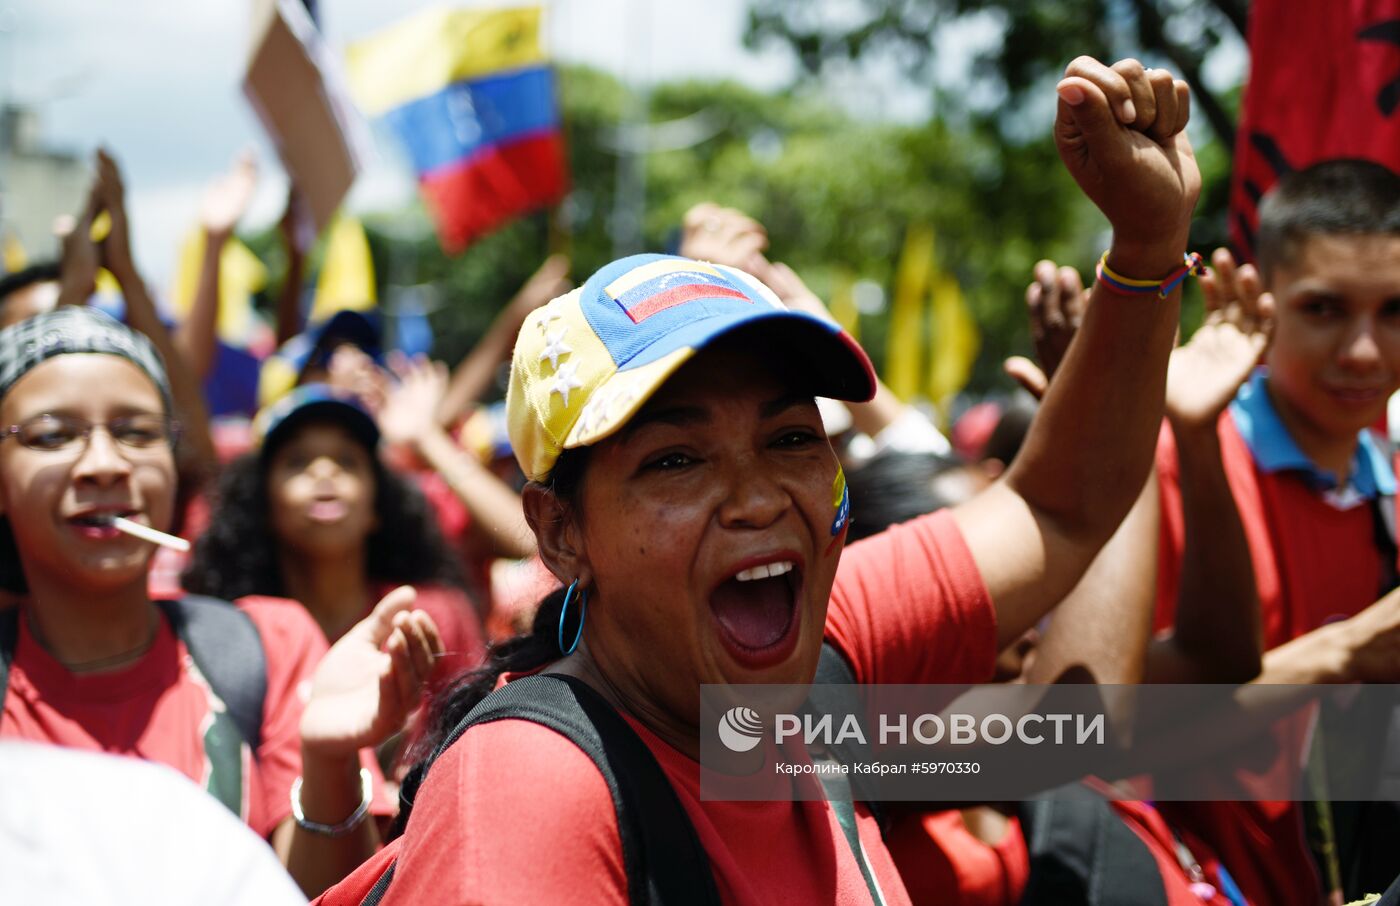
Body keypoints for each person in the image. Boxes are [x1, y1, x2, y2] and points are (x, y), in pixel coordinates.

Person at [320, 55, 1203, 905]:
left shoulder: (806, 669)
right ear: (560, 533)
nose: (756, 499)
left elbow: (1055, 503)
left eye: (788, 438)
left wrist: (1148, 246)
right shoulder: (529, 790)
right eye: (676, 459)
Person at [0, 306, 443, 897]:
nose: (104, 464)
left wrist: (328, 762)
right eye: (53, 435)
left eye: (136, 432)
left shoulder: (270, 646)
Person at [1149, 160, 1400, 904]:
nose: (1364, 351)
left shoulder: (1390, 487)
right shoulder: (1180, 463)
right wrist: (1345, 652)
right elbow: (1114, 742)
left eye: (1395, 311)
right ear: (1264, 302)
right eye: (1324, 309)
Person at [185, 382, 485, 687]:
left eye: (347, 460)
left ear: (377, 506)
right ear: (263, 505)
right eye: (297, 461)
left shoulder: (438, 617)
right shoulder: (236, 635)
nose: (325, 472)